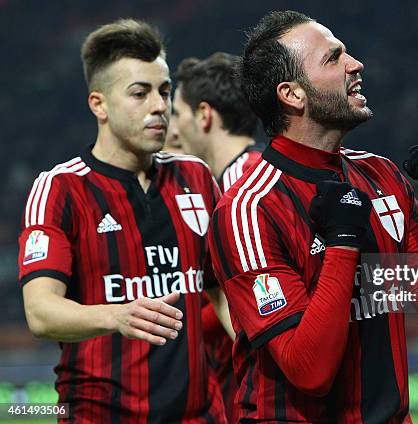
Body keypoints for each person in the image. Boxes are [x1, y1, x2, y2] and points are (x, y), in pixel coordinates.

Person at [208, 10, 418, 422]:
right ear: (292, 94)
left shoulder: (381, 176)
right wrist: (343, 243)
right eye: (333, 59)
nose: (356, 64)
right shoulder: (250, 209)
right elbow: (308, 370)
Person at [18, 19, 229, 423]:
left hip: (200, 415)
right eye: (140, 93)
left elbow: (221, 288)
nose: (159, 106)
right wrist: (115, 315)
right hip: (100, 415)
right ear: (99, 104)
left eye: (165, 92)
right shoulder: (61, 189)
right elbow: (41, 313)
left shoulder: (196, 177)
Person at [172, 52, 261, 421]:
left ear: (204, 115)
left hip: (263, 401)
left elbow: (258, 314)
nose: (172, 128)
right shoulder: (254, 174)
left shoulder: (239, 191)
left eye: (177, 113)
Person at [173, 53, 263, 192]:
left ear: (204, 114)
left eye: (177, 114)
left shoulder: (240, 184)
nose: (174, 130)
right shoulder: (263, 169)